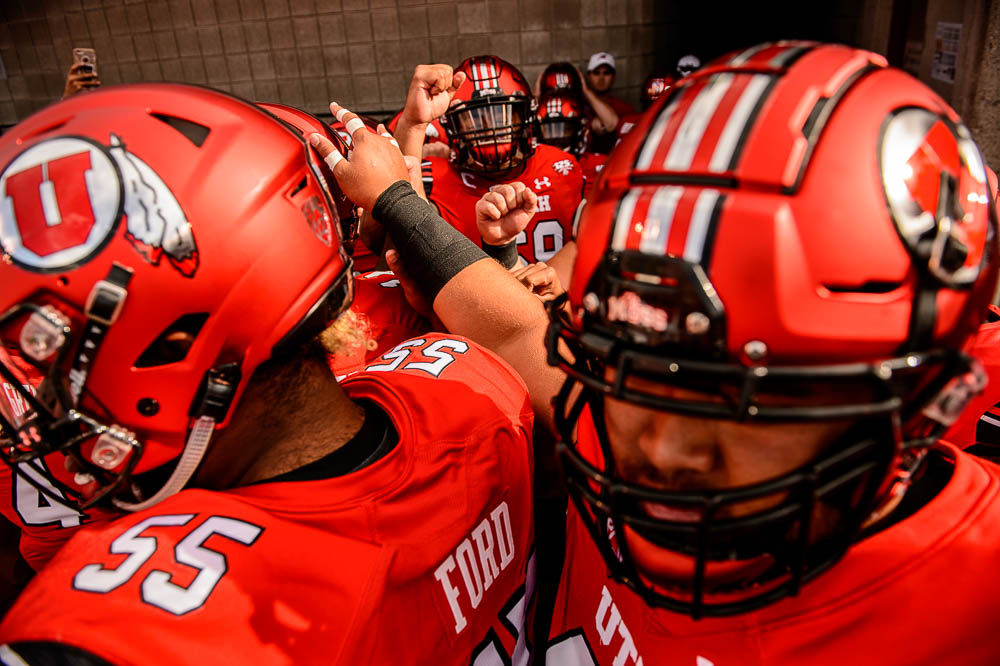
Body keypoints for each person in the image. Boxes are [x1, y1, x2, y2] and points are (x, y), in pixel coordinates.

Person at [310, 41, 1000, 664]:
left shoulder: (973, 599)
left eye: (746, 402)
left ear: (925, 400)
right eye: (635, 365)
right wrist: (399, 197)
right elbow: (521, 330)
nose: (661, 450)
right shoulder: (621, 421)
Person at [0, 83, 536, 665]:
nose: (47, 395)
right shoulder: (476, 380)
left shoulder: (135, 617)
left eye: (65, 355)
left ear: (183, 340)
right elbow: (515, 335)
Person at [396, 58, 584, 267]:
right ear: (452, 125)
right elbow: (405, 228)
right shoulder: (436, 178)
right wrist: (413, 124)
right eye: (475, 118)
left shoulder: (561, 165)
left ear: (524, 116)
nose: (491, 128)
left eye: (502, 115)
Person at [536, 91, 606, 199]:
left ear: (580, 129)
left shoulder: (598, 164)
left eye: (564, 129)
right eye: (549, 130)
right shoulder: (534, 169)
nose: (556, 138)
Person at [584, 52, 634, 154]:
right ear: (589, 76)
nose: (601, 78)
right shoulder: (580, 108)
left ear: (613, 76)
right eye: (596, 73)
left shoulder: (625, 109)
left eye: (606, 73)